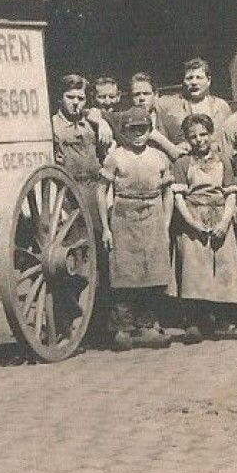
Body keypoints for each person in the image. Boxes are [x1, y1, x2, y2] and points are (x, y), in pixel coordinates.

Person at [100, 108, 175, 351]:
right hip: (123, 218)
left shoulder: (158, 157)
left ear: (150, 130)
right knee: (124, 273)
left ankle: (147, 325)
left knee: (152, 272)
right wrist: (106, 228)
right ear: (124, 132)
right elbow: (100, 192)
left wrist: (165, 223)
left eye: (143, 130)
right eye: (132, 130)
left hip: (153, 216)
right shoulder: (116, 158)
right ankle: (123, 327)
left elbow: (168, 192)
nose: (138, 135)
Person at [168, 112, 237, 342]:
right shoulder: (182, 163)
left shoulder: (223, 162)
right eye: (193, 136)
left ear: (211, 135)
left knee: (224, 269)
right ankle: (194, 322)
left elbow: (231, 194)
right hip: (193, 219)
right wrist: (192, 223)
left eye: (203, 135)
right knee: (195, 271)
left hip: (220, 215)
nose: (199, 140)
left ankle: (223, 320)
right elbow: (179, 198)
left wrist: (225, 222)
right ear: (187, 139)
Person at [51, 73, 110, 232]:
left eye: (80, 98)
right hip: (68, 193)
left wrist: (103, 123)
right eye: (70, 97)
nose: (75, 102)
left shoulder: (93, 121)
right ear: (60, 97)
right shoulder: (52, 126)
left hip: (95, 191)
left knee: (99, 239)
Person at [157, 57, 232, 134]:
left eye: (199, 78)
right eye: (189, 78)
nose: (194, 82)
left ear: (208, 80)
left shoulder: (221, 106)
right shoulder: (169, 105)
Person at [128, 72, 186, 159]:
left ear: (156, 95)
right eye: (136, 94)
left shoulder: (168, 121)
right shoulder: (124, 120)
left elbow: (183, 151)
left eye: (146, 93)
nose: (142, 98)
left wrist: (158, 138)